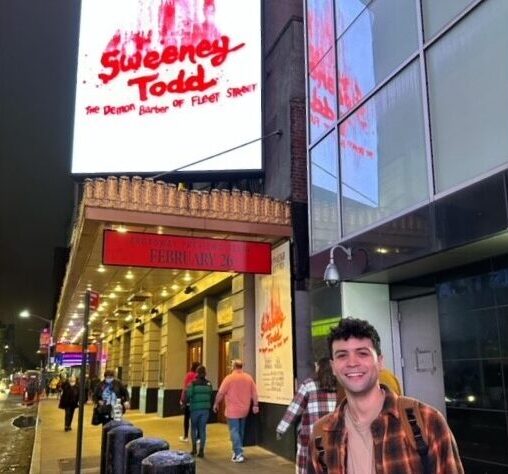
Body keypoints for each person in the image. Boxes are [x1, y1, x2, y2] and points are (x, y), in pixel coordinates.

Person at [309, 318, 464, 473]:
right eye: (342, 355)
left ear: (380, 362)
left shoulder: (426, 420)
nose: (352, 362)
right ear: (333, 367)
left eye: (362, 353)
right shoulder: (321, 435)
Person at [276, 357, 339, 474]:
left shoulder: (309, 385)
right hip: (334, 438)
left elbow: (294, 409)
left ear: (319, 368)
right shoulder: (340, 386)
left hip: (310, 438)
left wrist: (281, 429)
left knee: (307, 467)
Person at [212, 359, 259, 463]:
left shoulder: (229, 378)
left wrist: (216, 403)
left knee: (234, 430)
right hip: (245, 410)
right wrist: (255, 405)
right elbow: (254, 393)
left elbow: (220, 393)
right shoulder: (248, 378)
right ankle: (237, 451)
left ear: (233, 367)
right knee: (240, 431)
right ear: (242, 366)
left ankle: (238, 453)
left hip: (232, 410)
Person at [185, 365, 213, 458]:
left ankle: (194, 449)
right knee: (202, 429)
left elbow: (189, 394)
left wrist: (185, 402)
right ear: (205, 373)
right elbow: (211, 394)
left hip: (195, 409)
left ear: (197, 373)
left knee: (193, 428)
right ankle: (201, 450)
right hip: (205, 410)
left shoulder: (193, 383)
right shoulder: (209, 384)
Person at [179, 361, 200, 442]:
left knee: (186, 418)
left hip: (188, 401)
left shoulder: (189, 375)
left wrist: (182, 399)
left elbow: (185, 388)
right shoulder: (199, 376)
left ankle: (186, 436)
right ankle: (198, 437)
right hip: (197, 401)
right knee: (197, 419)